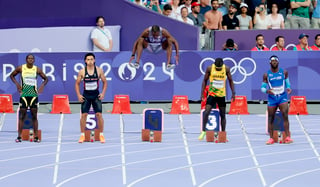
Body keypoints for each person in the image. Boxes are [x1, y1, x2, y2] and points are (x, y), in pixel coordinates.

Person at [10, 54, 48, 143]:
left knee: (34, 116)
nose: (30, 60)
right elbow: (12, 75)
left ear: (34, 60)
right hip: (24, 95)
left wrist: (42, 85)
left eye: (32, 59)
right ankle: (19, 136)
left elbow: (46, 79)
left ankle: (36, 137)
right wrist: (17, 84)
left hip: (34, 96)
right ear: (26, 60)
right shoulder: (21, 68)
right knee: (22, 116)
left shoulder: (37, 69)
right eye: (29, 58)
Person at [198, 58, 235, 142]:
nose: (219, 69)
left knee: (223, 115)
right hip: (212, 94)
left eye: (220, 68)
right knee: (206, 112)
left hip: (221, 95)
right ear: (214, 65)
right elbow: (204, 81)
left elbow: (230, 81)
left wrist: (233, 93)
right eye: (217, 68)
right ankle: (203, 131)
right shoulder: (210, 68)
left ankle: (223, 133)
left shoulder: (226, 69)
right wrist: (202, 93)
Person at [75, 53, 107, 143]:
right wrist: (79, 95)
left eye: (91, 59)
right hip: (86, 96)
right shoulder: (82, 71)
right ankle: (82, 135)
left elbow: (105, 82)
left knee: (99, 115)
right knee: (84, 115)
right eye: (88, 59)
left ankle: (101, 135)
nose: (90, 61)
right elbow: (77, 84)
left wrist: (103, 93)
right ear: (85, 61)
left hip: (96, 95)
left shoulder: (99, 71)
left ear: (94, 60)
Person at [262, 55, 293, 145]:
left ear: (278, 62)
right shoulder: (266, 75)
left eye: (276, 61)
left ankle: (287, 137)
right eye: (272, 61)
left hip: (282, 97)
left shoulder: (284, 72)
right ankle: (271, 138)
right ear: (270, 62)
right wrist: (267, 91)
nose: (274, 62)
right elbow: (262, 87)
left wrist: (289, 88)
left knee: (285, 116)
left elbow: (287, 82)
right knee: (271, 118)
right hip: (272, 98)